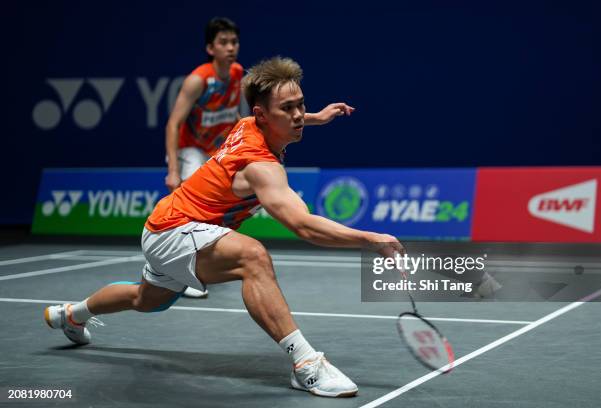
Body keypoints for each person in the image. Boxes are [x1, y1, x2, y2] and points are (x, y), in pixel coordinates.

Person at [45, 57, 404, 397]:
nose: (297, 116)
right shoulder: (260, 166)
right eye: (288, 109)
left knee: (146, 299)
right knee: (253, 257)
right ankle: (306, 363)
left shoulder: (248, 124)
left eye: (300, 105)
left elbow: (282, 119)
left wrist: (318, 117)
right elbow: (303, 227)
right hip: (178, 228)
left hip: (163, 225)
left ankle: (71, 315)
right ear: (262, 115)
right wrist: (370, 239)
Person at [167, 17, 356, 298]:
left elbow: (258, 118)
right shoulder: (199, 80)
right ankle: (177, 265)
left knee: (214, 212)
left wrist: (317, 117)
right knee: (195, 205)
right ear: (210, 48)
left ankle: (184, 267)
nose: (231, 48)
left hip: (220, 146)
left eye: (234, 42)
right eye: (223, 42)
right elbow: (174, 123)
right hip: (192, 147)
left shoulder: (235, 74)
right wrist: (173, 168)